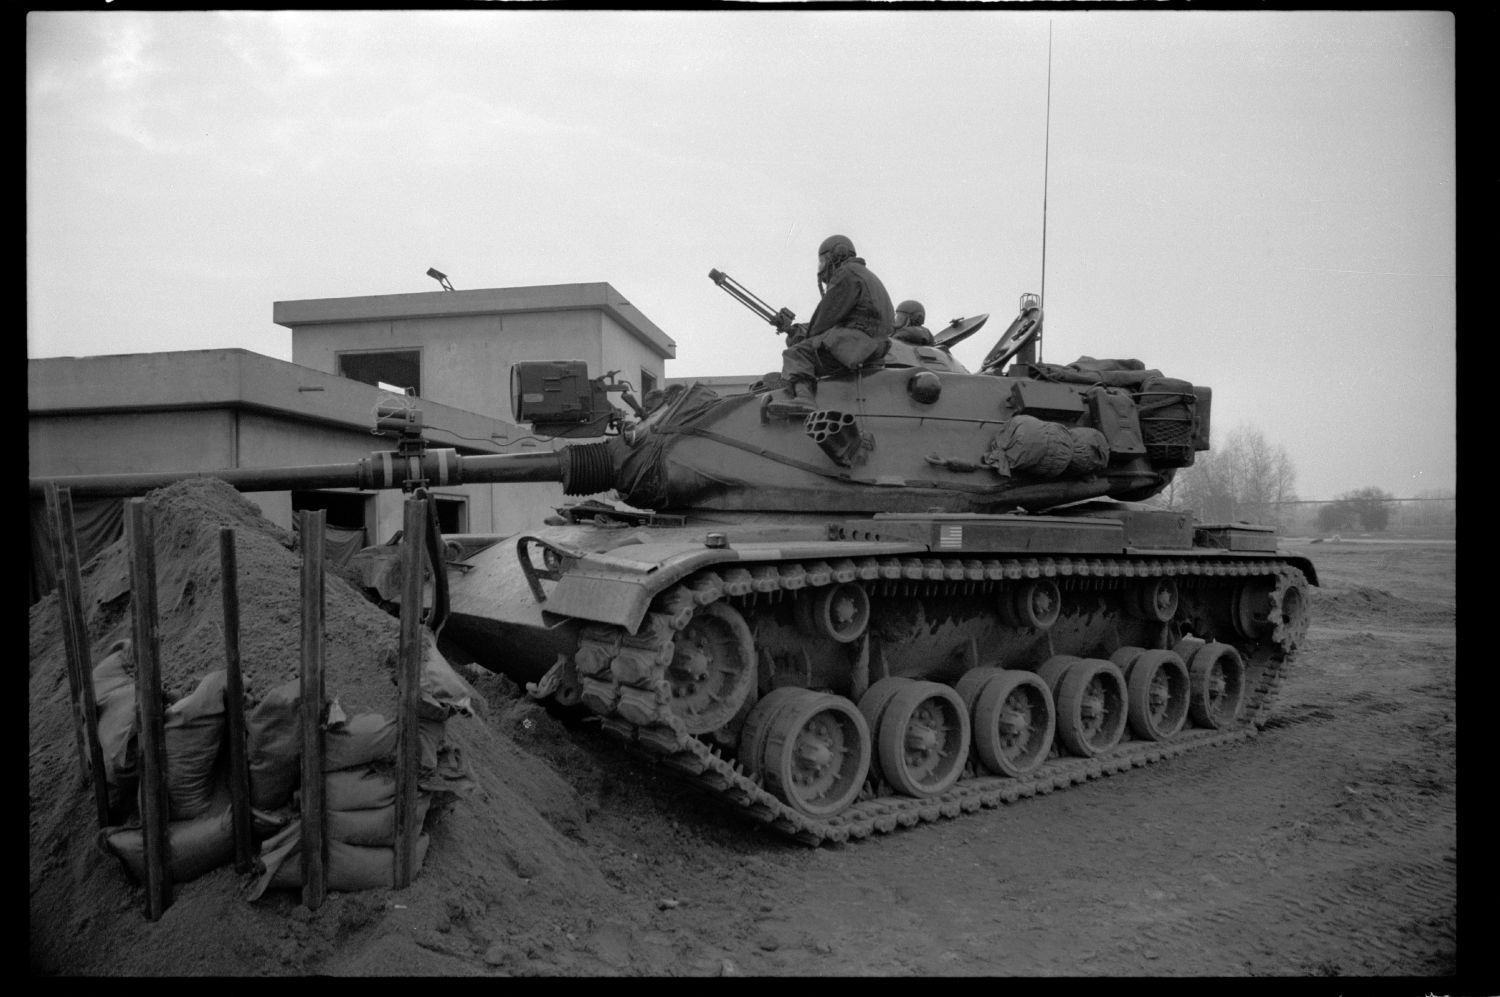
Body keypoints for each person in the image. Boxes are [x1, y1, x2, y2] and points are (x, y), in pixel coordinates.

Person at [780, 235, 895, 398]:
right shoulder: (864, 274)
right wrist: (796, 330)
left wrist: (800, 337)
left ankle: (803, 398)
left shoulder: (846, 273)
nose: (821, 266)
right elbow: (845, 318)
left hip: (856, 344)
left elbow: (824, 319)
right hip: (873, 346)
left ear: (836, 254)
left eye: (822, 260)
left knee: (797, 353)